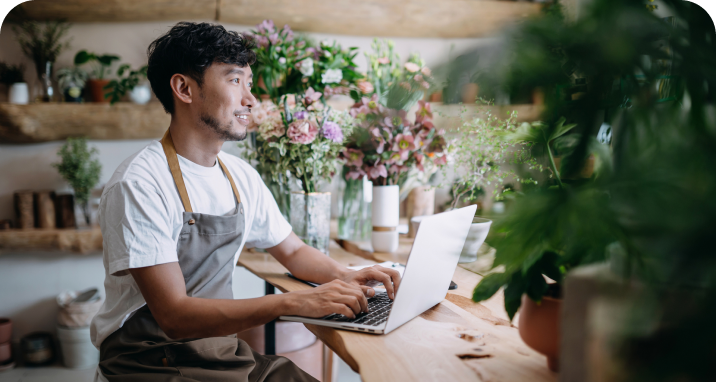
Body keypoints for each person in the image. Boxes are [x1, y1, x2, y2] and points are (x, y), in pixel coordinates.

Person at [90, 22, 401, 382]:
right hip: (149, 359)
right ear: (183, 88)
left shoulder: (240, 176)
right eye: (235, 80)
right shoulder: (140, 183)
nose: (251, 99)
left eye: (249, 84)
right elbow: (174, 317)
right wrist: (294, 303)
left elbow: (293, 252)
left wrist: (347, 275)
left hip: (217, 350)